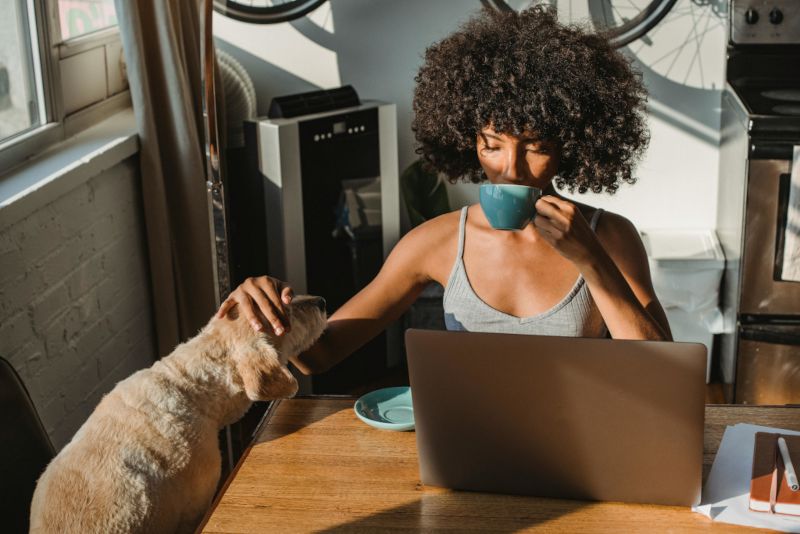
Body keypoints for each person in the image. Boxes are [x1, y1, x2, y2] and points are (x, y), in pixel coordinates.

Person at [216, 6, 672, 375]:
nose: (510, 169)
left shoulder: (608, 237)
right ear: (467, 139)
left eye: (536, 147)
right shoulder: (434, 243)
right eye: (491, 146)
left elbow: (663, 372)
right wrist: (269, 309)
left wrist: (591, 259)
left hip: (581, 439)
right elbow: (320, 355)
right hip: (467, 442)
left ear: (571, 147)